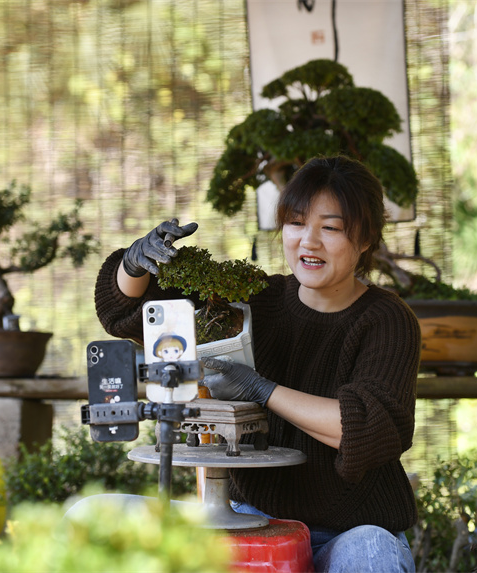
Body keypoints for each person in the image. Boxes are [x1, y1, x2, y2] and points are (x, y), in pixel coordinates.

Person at [93, 155, 421, 573]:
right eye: (297, 223)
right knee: (92, 513)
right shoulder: (252, 300)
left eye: (331, 228)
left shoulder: (386, 320)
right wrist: (134, 263)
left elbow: (366, 427)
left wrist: (264, 390)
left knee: (373, 554)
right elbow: (129, 311)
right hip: (250, 519)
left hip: (350, 533)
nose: (309, 241)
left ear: (366, 238)